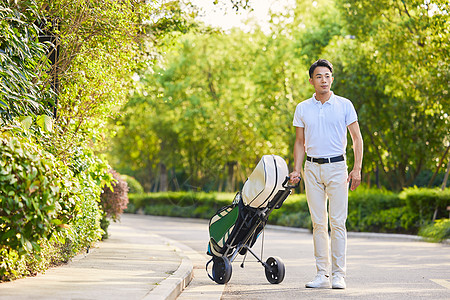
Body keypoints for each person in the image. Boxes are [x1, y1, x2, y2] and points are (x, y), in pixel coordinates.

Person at [289, 59, 363, 289]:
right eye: (319, 76)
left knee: (337, 222)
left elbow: (357, 139)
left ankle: (339, 274)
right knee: (318, 223)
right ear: (311, 81)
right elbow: (300, 142)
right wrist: (296, 169)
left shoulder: (344, 105)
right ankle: (322, 273)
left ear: (332, 78)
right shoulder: (302, 108)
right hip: (311, 169)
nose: (324, 80)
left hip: (337, 167)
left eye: (327, 76)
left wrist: (357, 169)